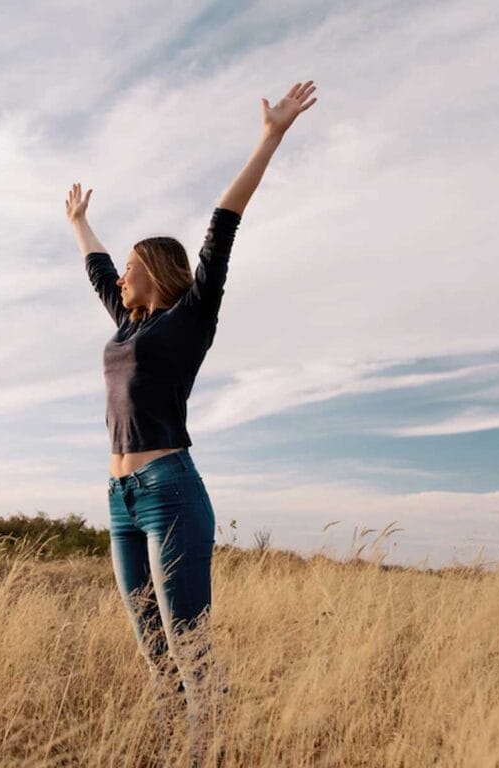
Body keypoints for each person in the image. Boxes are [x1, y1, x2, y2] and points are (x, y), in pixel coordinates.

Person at [66, 81, 317, 767]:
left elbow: (222, 224)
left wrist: (270, 137)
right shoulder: (127, 324)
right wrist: (79, 223)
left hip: (169, 490)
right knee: (154, 650)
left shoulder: (190, 318)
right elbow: (98, 271)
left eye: (131, 269)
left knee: (188, 647)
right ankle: (173, 751)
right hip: (120, 498)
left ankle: (211, 753)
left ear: (156, 270)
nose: (121, 278)